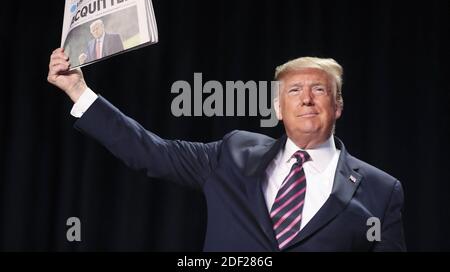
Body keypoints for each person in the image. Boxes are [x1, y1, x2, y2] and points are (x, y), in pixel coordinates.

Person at [48, 49, 406, 251]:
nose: (307, 99)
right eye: (294, 91)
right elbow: (149, 151)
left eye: (320, 90)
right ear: (278, 108)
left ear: (338, 105)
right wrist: (79, 91)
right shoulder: (233, 153)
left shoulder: (380, 189)